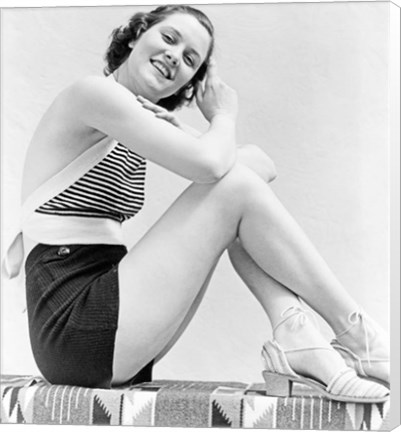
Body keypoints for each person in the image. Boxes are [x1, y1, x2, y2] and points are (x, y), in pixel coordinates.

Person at [3, 5, 390, 401]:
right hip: (75, 325)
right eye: (169, 38)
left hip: (111, 323)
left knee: (238, 187)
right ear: (136, 35)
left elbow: (260, 165)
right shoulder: (94, 94)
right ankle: (354, 335)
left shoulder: (140, 120)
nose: (175, 55)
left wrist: (189, 132)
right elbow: (214, 166)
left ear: (191, 81)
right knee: (233, 187)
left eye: (191, 59)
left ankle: (296, 331)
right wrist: (221, 117)